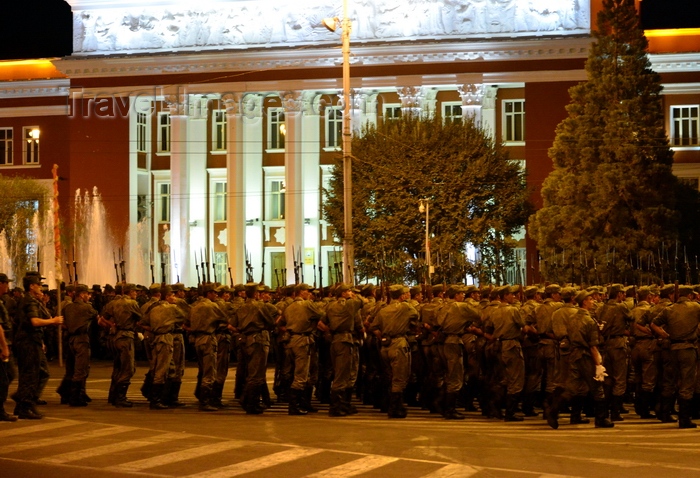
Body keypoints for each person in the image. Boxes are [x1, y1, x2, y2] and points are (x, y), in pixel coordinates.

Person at [547, 289, 614, 429]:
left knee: (572, 388)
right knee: (597, 388)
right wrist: (598, 365)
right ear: (584, 302)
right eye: (590, 299)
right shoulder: (588, 321)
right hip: (585, 356)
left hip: (573, 355)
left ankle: (554, 410)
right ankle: (601, 419)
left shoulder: (572, 318)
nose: (593, 301)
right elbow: (592, 346)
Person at [12, 272, 63, 419]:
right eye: (38, 284)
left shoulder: (32, 300)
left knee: (42, 373)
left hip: (32, 341)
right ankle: (24, 404)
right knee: (31, 375)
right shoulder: (29, 301)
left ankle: (25, 400)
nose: (41, 287)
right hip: (27, 342)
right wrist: (53, 321)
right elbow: (34, 322)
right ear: (31, 286)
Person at [651, 285, 700, 428]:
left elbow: (653, 324)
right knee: (687, 382)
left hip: (673, 348)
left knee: (672, 380)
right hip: (688, 347)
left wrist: (665, 335)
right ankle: (684, 418)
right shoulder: (695, 307)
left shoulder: (669, 309)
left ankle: (666, 411)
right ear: (690, 296)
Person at [369, 284, 419, 419]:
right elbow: (416, 315)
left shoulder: (383, 310)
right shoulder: (405, 307)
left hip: (385, 346)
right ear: (402, 295)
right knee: (400, 377)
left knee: (389, 376)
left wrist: (383, 337)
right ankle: (396, 408)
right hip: (398, 344)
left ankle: (388, 403)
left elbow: (373, 327)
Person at [278, 283, 326, 415]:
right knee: (301, 374)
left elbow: (280, 323)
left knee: (299, 372)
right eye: (307, 291)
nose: (310, 293)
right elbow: (321, 314)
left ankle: (303, 403)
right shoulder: (307, 304)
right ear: (300, 292)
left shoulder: (289, 306)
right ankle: (295, 405)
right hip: (303, 340)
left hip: (292, 340)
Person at [232, 283, 279, 414]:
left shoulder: (241, 307)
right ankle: (250, 402)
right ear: (256, 293)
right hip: (258, 340)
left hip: (244, 340)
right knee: (256, 373)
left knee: (250, 371)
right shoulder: (260, 306)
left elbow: (233, 325)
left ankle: (249, 399)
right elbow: (271, 322)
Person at [321, 283, 364, 416]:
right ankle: (337, 407)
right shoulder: (349, 305)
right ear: (343, 293)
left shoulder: (330, 305)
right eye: (349, 291)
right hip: (345, 340)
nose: (351, 292)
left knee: (341, 372)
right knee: (343, 374)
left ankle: (342, 405)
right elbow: (362, 302)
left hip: (335, 340)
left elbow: (320, 323)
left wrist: (331, 331)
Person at [141, 286, 186, 409]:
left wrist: (155, 329)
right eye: (172, 295)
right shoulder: (172, 308)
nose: (174, 297)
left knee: (162, 367)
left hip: (156, 338)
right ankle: (156, 400)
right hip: (166, 338)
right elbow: (187, 317)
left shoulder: (153, 308)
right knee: (162, 369)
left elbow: (142, 323)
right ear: (166, 296)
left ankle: (161, 397)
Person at [188, 283, 230, 411]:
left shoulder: (194, 306)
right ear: (208, 294)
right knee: (210, 371)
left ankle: (203, 397)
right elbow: (225, 318)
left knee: (202, 369)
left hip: (197, 339)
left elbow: (187, 322)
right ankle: (205, 401)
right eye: (214, 293)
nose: (216, 295)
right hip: (208, 338)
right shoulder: (212, 306)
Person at [101, 283, 142, 408]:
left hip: (115, 337)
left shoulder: (112, 303)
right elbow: (141, 319)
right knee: (128, 368)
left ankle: (112, 395)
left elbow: (102, 319)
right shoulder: (132, 304)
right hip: (126, 337)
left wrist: (113, 325)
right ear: (129, 292)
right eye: (135, 292)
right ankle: (120, 397)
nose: (136, 294)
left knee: (118, 367)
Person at [62, 284, 99, 407]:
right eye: (87, 294)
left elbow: (63, 323)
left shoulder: (68, 307)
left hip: (70, 339)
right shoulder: (86, 307)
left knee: (71, 369)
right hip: (81, 339)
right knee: (81, 369)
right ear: (81, 295)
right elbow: (97, 317)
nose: (89, 296)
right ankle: (75, 397)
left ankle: (67, 394)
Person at [0, 272, 16, 421]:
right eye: (6, 283)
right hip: (1, 346)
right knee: (5, 377)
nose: (8, 286)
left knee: (7, 376)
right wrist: (4, 346)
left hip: (5, 344)